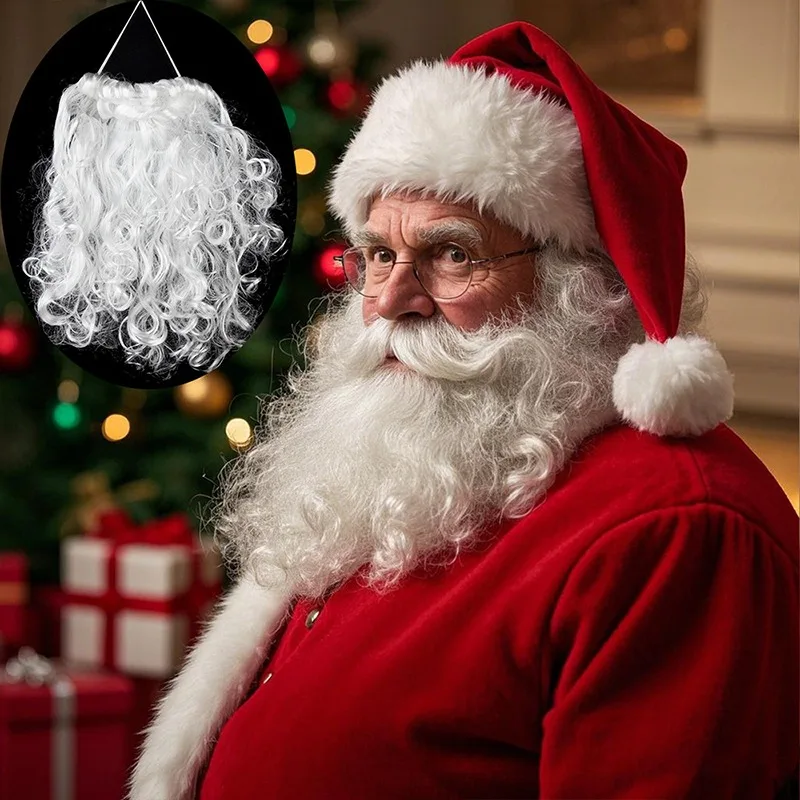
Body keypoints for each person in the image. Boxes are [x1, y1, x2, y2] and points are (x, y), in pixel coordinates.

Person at [128, 21, 799, 800]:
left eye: (452, 254)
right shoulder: (415, 462)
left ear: (586, 286)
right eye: (377, 252)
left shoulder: (679, 530)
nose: (387, 301)